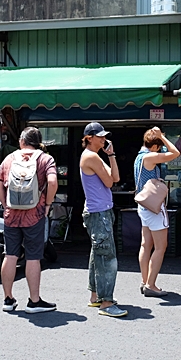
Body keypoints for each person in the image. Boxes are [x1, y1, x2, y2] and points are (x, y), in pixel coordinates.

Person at [0, 126, 58, 313]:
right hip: (35, 214)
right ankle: (34, 301)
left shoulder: (10, 158)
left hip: (11, 215)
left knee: (10, 255)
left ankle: (8, 299)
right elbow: (53, 182)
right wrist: (47, 205)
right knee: (33, 257)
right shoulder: (45, 159)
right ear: (38, 142)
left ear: (21, 141)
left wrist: (6, 205)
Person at [80, 122, 127, 317]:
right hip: (99, 213)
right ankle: (106, 302)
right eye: (99, 136)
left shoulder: (95, 156)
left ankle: (95, 296)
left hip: (98, 211)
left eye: (104, 135)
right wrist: (110, 157)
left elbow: (114, 177)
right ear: (89, 138)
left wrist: (111, 155)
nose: (103, 139)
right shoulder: (91, 157)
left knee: (97, 254)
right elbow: (110, 181)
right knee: (107, 257)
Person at [134, 126, 180, 297]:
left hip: (143, 206)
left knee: (146, 245)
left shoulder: (139, 157)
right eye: (159, 146)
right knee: (161, 246)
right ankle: (151, 285)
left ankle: (144, 281)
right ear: (154, 146)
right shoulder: (151, 156)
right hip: (153, 207)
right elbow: (175, 153)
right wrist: (162, 137)